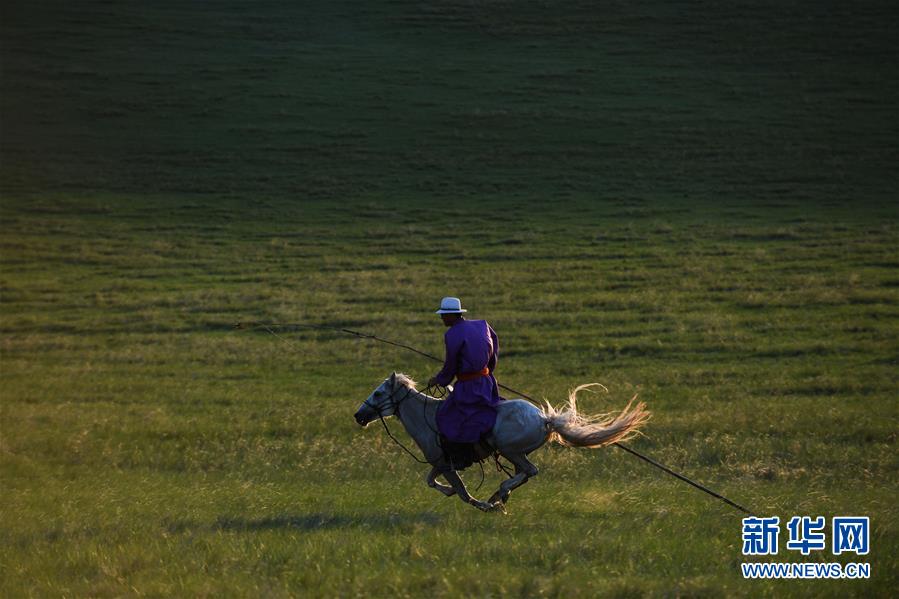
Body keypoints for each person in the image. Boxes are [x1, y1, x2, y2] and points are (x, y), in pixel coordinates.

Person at [427, 297, 503, 469]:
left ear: (453, 315)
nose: (442, 318)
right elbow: (495, 343)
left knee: (445, 415)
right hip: (487, 382)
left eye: (444, 315)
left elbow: (451, 365)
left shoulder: (452, 334)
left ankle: (464, 456)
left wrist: (439, 380)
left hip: (469, 387)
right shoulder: (482, 324)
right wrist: (488, 370)